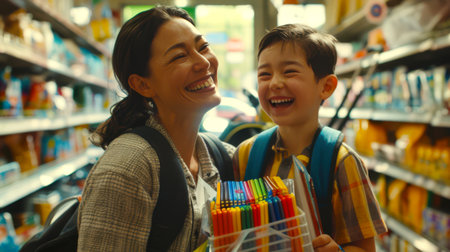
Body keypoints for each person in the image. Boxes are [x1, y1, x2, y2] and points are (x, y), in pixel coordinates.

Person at [77, 6, 234, 251]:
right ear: (142, 84)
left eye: (203, 46)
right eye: (179, 56)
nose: (204, 62)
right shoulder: (127, 168)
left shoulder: (220, 155)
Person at [233, 24, 387, 251]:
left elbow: (365, 247)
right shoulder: (246, 154)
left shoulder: (342, 162)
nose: (274, 83)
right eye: (264, 74)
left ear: (326, 87)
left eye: (289, 72)